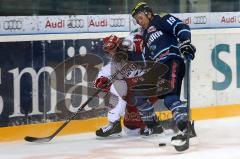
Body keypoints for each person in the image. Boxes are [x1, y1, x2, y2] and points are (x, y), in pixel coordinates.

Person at [131, 2, 196, 147]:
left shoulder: (162, 20)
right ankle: (154, 126)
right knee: (138, 94)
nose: (139, 22)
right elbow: (146, 60)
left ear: (148, 13)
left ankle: (186, 127)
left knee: (170, 98)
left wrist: (185, 41)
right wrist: (132, 55)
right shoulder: (145, 36)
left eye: (140, 18)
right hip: (158, 69)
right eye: (136, 20)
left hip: (171, 61)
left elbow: (181, 27)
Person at [94, 33, 163, 137]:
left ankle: (154, 125)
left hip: (151, 85)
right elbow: (100, 78)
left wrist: (136, 51)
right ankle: (114, 124)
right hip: (135, 93)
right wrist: (101, 81)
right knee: (131, 130)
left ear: (119, 45)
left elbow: (138, 36)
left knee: (121, 88)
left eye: (113, 48)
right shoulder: (113, 64)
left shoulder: (134, 49)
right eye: (108, 50)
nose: (111, 52)